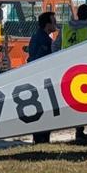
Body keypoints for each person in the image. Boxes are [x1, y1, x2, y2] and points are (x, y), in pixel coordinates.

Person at [55, 4, 87, 141]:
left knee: (74, 99)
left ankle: (79, 129)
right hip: (85, 70)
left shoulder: (65, 28)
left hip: (67, 69)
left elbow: (55, 46)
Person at [27, 11, 57, 143]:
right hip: (42, 79)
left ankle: (39, 137)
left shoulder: (35, 37)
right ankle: (42, 138)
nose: (56, 23)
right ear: (47, 24)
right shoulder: (45, 40)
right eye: (53, 21)